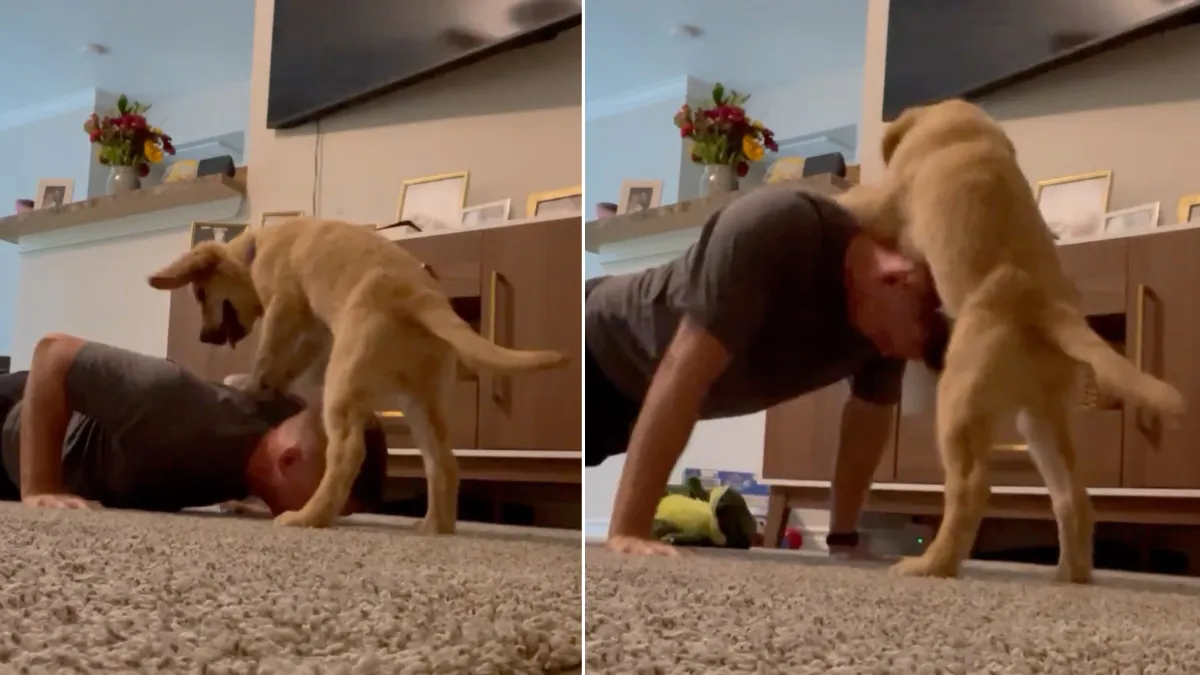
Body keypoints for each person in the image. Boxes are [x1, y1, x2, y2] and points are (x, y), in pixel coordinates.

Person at [585, 184, 949, 556]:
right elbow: (683, 369)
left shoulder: (890, 319)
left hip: (637, 399)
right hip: (596, 348)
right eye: (887, 339)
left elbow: (865, 430)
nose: (886, 352)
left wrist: (843, 539)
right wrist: (629, 530)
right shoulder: (779, 225)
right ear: (895, 278)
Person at [1, 333, 388, 516]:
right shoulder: (167, 397)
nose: (324, 517)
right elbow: (52, 353)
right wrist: (40, 487)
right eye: (328, 502)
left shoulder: (278, 425)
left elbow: (242, 384)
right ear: (287, 462)